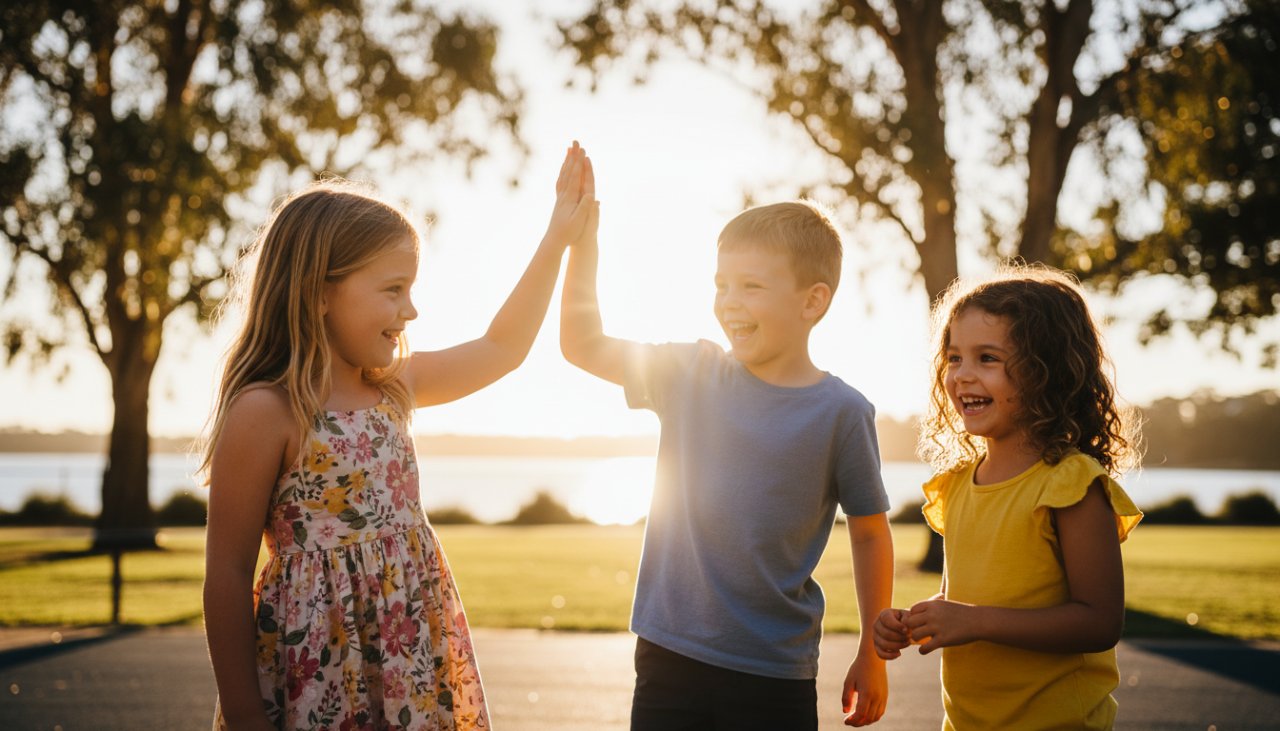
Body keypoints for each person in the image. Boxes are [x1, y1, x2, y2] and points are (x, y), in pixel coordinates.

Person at [200, 142, 595, 730]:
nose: (410, 310)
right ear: (320, 290)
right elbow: (226, 575)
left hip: (410, 661)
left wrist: (556, 239)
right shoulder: (269, 411)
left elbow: (501, 349)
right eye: (393, 289)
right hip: (319, 669)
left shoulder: (392, 388)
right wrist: (243, 715)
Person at [560, 163, 895, 729]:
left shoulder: (843, 412)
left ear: (812, 302)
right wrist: (584, 241)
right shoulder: (689, 371)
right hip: (669, 656)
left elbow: (868, 530)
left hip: (774, 672)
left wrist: (872, 650)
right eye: (721, 285)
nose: (729, 302)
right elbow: (581, 343)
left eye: (752, 286)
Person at [872, 265, 1144, 730]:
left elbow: (1099, 622)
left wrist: (974, 622)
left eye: (988, 358)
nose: (962, 376)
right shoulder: (957, 484)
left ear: (1046, 371)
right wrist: (916, 619)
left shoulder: (1070, 485)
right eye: (954, 358)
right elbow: (966, 598)